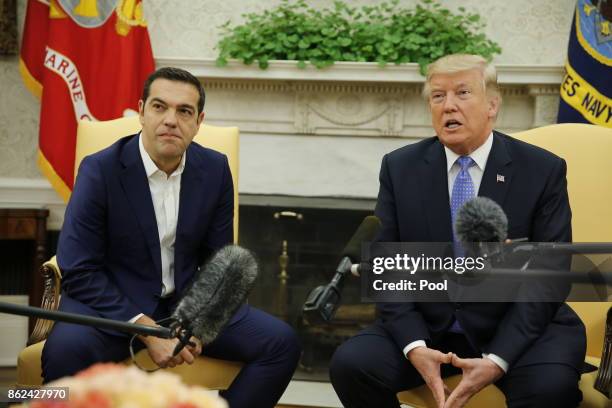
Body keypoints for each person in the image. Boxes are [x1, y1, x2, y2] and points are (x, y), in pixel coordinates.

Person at [329, 54, 586, 408]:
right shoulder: (400, 168)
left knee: (550, 389)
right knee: (352, 365)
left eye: (463, 93)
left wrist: (497, 360)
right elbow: (389, 267)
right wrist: (415, 347)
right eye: (438, 96)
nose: (448, 105)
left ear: (492, 105)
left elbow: (551, 275)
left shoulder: (541, 170)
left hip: (517, 328)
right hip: (431, 326)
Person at [42, 67, 301, 408]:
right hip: (111, 306)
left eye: (184, 111)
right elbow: (79, 268)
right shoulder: (100, 170)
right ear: (141, 112)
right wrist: (146, 329)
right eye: (159, 107)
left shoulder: (215, 169)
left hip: (186, 304)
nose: (170, 120)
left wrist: (198, 324)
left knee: (281, 343)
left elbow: (218, 263)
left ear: (198, 121)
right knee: (64, 352)